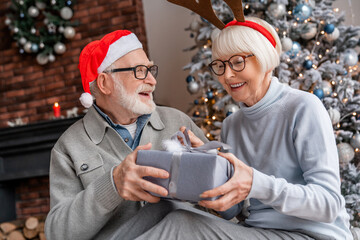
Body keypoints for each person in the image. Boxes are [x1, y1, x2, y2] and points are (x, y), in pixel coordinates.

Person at [186, 16, 353, 239]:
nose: (226, 75)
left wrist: (257, 183)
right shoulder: (231, 125)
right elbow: (232, 211)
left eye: (237, 62)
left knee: (181, 223)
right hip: (259, 231)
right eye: (220, 65)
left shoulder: (303, 107)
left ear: (264, 59)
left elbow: (328, 204)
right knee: (179, 215)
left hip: (312, 234)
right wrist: (206, 170)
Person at [44, 30, 208, 240]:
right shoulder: (68, 147)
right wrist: (112, 185)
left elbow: (228, 202)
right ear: (104, 83)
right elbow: (57, 235)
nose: (152, 80)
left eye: (150, 69)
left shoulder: (178, 123)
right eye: (140, 71)